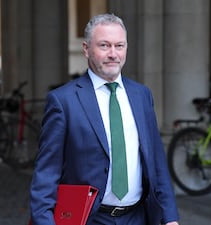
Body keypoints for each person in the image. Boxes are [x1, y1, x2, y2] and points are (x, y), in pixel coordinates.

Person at [30, 13, 179, 225]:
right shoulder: (63, 101)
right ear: (86, 49)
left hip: (138, 218)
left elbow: (156, 162)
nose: (113, 54)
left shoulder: (142, 95)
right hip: (90, 219)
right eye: (104, 45)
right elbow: (46, 174)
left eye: (119, 45)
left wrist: (169, 217)